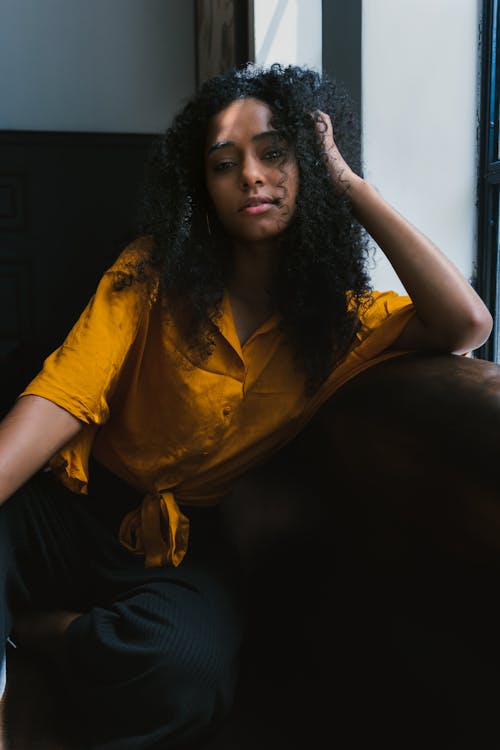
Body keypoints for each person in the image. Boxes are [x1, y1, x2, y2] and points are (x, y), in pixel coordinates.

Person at [0, 62, 492, 748]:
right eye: (225, 164)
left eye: (275, 155)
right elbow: (65, 394)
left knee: (185, 674)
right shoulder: (150, 272)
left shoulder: (337, 325)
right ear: (203, 185)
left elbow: (465, 323)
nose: (252, 177)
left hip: (183, 542)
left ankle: (41, 632)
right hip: (69, 504)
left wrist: (348, 183)